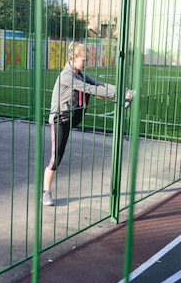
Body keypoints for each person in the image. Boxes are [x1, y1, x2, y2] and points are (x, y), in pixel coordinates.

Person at [43, 42, 134, 206]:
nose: (86, 63)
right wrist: (122, 95)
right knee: (56, 158)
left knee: (99, 90)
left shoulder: (79, 74)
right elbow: (90, 89)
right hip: (61, 120)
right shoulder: (67, 76)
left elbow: (99, 84)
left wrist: (125, 91)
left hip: (73, 116)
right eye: (84, 60)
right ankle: (46, 193)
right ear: (73, 58)